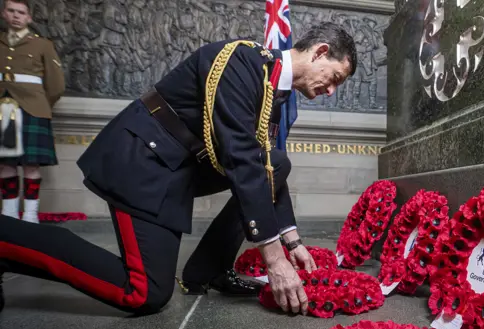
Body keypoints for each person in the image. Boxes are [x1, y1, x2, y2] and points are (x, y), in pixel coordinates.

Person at [0, 22, 357, 316]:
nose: (330, 91)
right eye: (336, 78)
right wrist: (274, 261)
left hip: (176, 168)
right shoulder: (243, 62)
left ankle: (208, 270)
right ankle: (9, 237)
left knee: (276, 162)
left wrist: (290, 239)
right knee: (144, 294)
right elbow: (242, 159)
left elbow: (262, 165)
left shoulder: (273, 89)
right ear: (320, 51)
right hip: (141, 163)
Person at [0, 0, 65, 223]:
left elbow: (56, 86)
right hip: (4, 109)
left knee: (31, 164)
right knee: (6, 163)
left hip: (33, 109)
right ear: (4, 14)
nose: (16, 16)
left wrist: (41, 105)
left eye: (21, 12)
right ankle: (8, 213)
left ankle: (30, 215)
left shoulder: (43, 45)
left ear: (29, 18)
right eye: (11, 11)